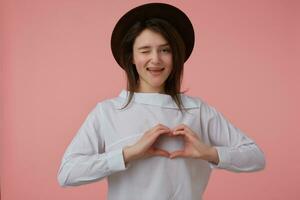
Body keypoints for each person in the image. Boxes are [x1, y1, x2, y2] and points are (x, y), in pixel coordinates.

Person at [57, 3, 266, 200]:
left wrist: (208, 153)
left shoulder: (197, 110)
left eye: (165, 50)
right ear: (131, 57)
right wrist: (129, 154)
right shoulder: (108, 112)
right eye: (145, 50)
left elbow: (255, 157)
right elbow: (67, 173)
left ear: (175, 56)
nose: (155, 59)